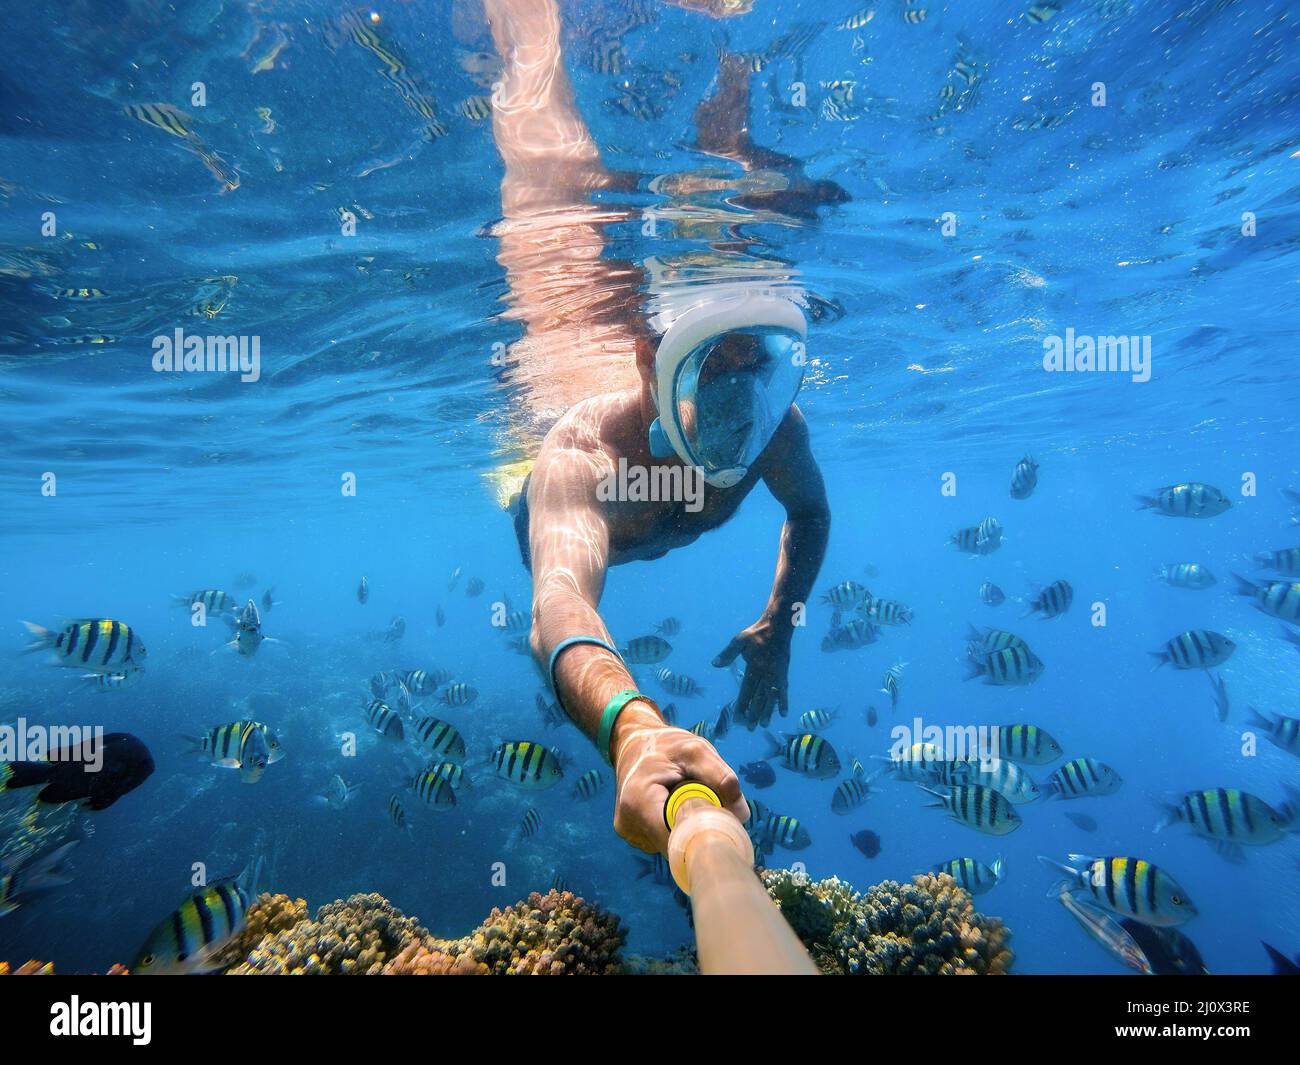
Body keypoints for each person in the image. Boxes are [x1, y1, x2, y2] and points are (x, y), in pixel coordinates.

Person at [483, 0, 834, 856]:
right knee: (552, 159)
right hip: (535, 490)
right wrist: (631, 727)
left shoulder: (772, 430)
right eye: (712, 371)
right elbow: (558, 604)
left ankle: (734, 56)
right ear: (652, 362)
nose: (739, 410)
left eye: (759, 371)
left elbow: (810, 513)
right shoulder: (586, 455)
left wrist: (779, 624)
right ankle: (529, 29)